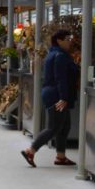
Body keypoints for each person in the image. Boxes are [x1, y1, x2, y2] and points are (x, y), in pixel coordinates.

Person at [22, 29, 79, 167]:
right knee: (53, 127)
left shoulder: (55, 54)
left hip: (55, 94)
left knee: (65, 127)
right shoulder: (59, 56)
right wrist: (63, 97)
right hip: (57, 95)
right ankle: (30, 150)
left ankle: (61, 156)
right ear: (58, 41)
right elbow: (61, 79)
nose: (69, 41)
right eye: (67, 38)